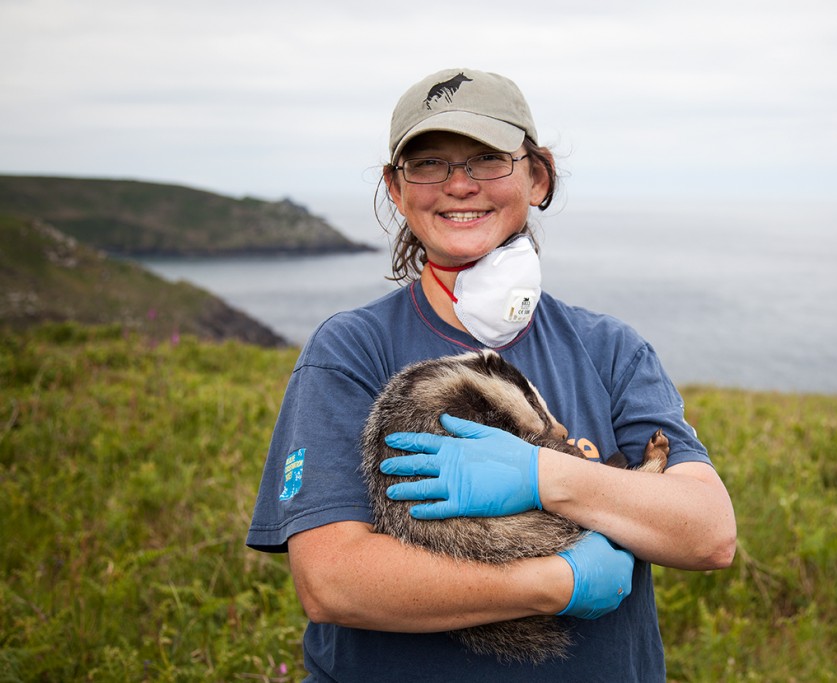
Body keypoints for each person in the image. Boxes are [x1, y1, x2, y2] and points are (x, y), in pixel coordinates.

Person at [247, 67, 736, 682]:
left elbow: (710, 535)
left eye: (487, 160)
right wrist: (554, 582)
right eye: (428, 164)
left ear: (538, 177)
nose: (459, 185)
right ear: (396, 190)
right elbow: (332, 583)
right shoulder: (351, 350)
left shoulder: (608, 349)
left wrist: (544, 475)